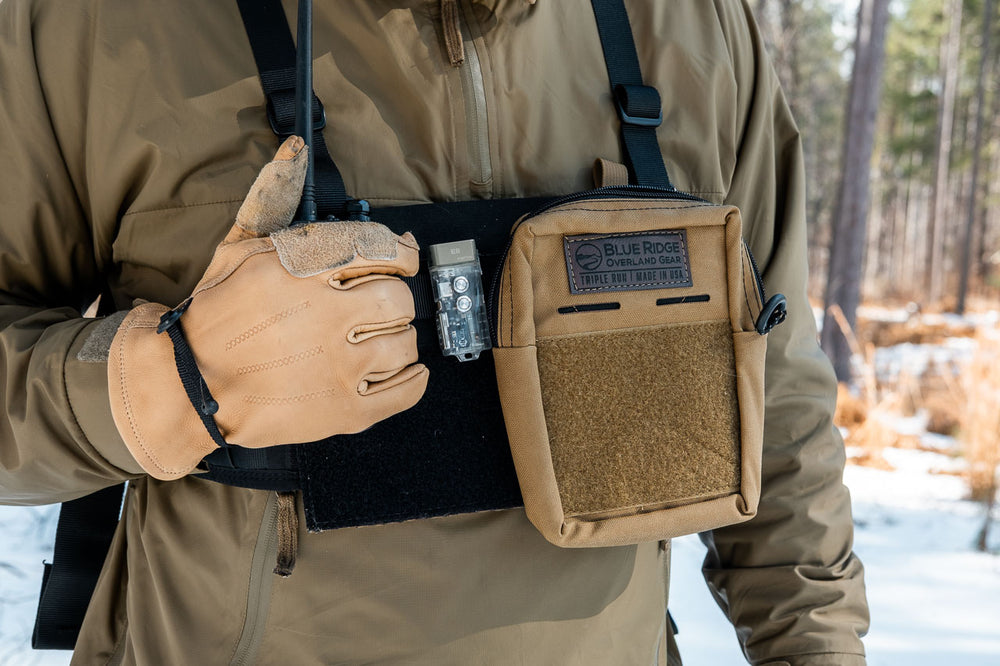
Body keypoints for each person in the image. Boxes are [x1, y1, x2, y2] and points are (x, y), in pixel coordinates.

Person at [0, 0, 869, 663]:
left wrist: (818, 648)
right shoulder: (92, 28)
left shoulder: (692, 25)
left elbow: (774, 388)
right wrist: (171, 383)